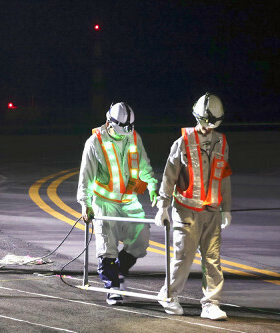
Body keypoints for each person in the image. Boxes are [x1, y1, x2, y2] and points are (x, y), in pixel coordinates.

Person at [155, 92, 232, 320]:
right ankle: (168, 295)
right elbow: (169, 177)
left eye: (212, 124)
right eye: (204, 122)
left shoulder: (222, 142)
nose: (208, 127)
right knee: (183, 256)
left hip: (212, 212)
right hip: (186, 211)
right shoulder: (182, 143)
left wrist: (226, 207)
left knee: (213, 259)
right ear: (197, 118)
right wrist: (163, 206)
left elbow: (225, 176)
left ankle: (211, 303)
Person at [77, 102, 158, 305]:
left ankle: (118, 272)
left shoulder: (133, 136)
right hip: (105, 203)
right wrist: (85, 204)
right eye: (122, 130)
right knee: (107, 247)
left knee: (141, 239)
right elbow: (85, 177)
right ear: (109, 122)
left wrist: (152, 186)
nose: (125, 135)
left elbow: (143, 163)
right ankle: (112, 287)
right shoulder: (94, 143)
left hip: (129, 201)